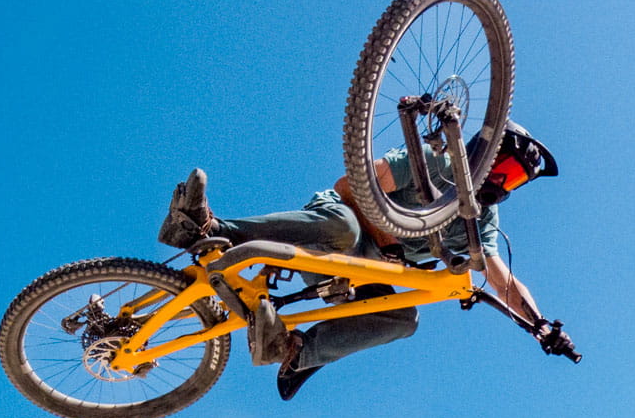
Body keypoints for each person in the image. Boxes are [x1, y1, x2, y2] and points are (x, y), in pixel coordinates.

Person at [156, 122, 557, 399]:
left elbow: (502, 281)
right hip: (341, 230)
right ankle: (206, 228)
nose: (504, 185)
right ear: (483, 153)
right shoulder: (433, 161)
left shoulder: (480, 220)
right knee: (344, 227)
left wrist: (540, 325)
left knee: (403, 319)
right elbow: (349, 187)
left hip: (369, 268)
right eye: (505, 170)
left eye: (516, 180)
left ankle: (293, 352)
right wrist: (386, 239)